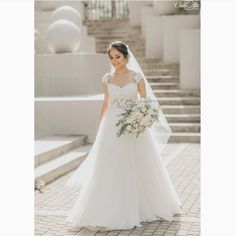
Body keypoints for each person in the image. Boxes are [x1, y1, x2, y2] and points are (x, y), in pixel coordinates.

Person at [65, 41, 182, 231]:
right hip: (112, 126)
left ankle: (144, 206)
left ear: (126, 56)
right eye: (111, 57)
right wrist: (100, 127)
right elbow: (106, 103)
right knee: (109, 165)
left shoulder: (137, 77)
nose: (114, 61)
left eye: (117, 56)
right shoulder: (107, 79)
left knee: (139, 164)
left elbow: (146, 103)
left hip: (134, 127)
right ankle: (108, 207)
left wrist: (141, 119)